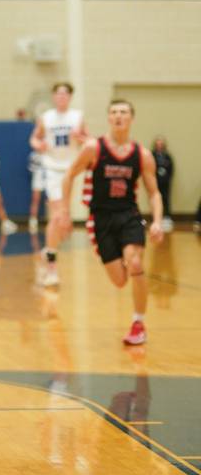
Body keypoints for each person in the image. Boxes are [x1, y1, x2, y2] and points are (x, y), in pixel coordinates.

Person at [55, 98, 163, 346]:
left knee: (135, 263)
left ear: (131, 118)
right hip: (101, 219)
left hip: (129, 216)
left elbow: (154, 192)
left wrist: (157, 220)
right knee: (119, 280)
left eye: (124, 112)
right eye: (114, 112)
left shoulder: (142, 154)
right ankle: (131, 281)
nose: (119, 116)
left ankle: (138, 323)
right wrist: (63, 211)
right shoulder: (94, 148)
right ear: (109, 118)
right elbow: (69, 175)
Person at [29, 83, 87, 287]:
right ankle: (52, 267)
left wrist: (81, 138)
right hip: (52, 168)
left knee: (63, 219)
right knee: (57, 215)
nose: (61, 96)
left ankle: (50, 248)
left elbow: (87, 140)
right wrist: (39, 145)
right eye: (58, 93)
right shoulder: (46, 118)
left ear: (70, 97)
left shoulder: (77, 117)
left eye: (65, 93)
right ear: (54, 97)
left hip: (71, 170)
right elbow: (34, 139)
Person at [151, 137, 174, 232]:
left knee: (166, 199)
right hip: (155, 182)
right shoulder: (151, 156)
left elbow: (171, 169)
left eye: (161, 144)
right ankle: (156, 219)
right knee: (156, 199)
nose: (159, 146)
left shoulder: (167, 156)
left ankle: (167, 218)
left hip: (165, 182)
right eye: (158, 144)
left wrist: (167, 178)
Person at [27, 149, 45, 233]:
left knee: (52, 200)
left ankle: (54, 220)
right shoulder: (33, 155)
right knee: (35, 200)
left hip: (48, 179)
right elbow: (30, 168)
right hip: (37, 179)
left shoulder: (48, 153)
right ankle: (33, 220)